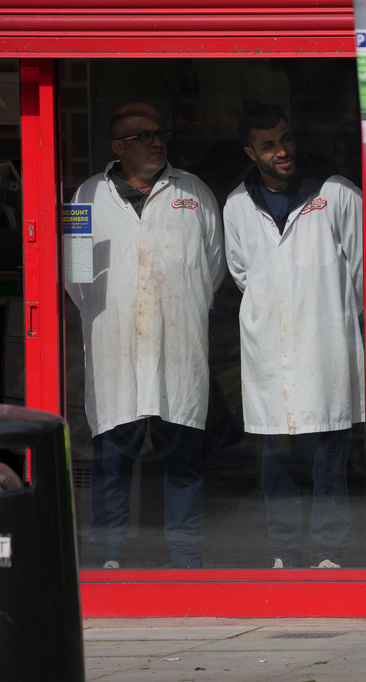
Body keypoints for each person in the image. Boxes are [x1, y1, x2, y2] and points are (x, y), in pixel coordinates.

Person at [67, 102, 226, 569]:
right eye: (144, 136)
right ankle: (110, 556)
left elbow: (213, 268)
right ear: (119, 147)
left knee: (183, 463)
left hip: (178, 348)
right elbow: (75, 278)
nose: (157, 141)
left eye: (160, 132)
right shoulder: (87, 196)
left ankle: (185, 559)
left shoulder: (193, 193)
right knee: (113, 460)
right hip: (114, 346)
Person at [223, 103, 364, 569]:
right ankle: (284, 552)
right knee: (276, 461)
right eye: (268, 145)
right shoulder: (237, 206)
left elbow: (363, 274)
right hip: (270, 356)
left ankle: (330, 553)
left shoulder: (337, 195)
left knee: (328, 458)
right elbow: (243, 274)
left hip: (326, 349)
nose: (281, 151)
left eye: (285, 139)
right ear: (251, 152)